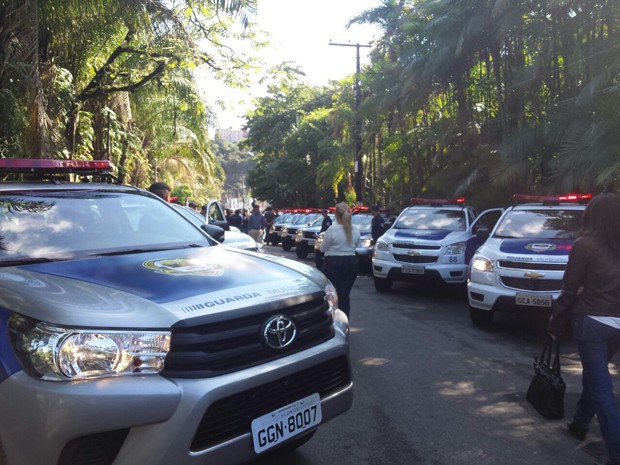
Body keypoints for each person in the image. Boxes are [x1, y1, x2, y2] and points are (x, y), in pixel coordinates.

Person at [547, 193, 620, 465]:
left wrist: (555, 322)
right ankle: (578, 424)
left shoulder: (584, 245)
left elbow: (569, 289)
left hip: (591, 322)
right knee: (595, 375)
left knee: (601, 385)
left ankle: (616, 451)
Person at [319, 202, 360, 318]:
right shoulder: (355, 230)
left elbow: (323, 248)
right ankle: (345, 320)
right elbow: (356, 245)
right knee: (345, 294)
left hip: (333, 263)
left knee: (331, 294)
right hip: (351, 262)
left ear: (336, 214)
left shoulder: (332, 230)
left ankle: (332, 319)